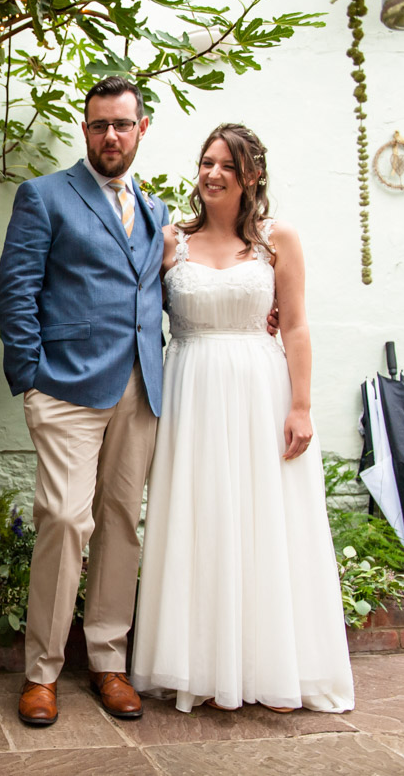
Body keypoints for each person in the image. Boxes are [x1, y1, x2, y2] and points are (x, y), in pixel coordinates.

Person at [130, 123, 354, 714]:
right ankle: (196, 664)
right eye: (206, 162)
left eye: (226, 165)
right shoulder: (172, 241)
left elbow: (298, 324)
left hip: (260, 390)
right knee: (197, 520)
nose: (212, 173)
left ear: (251, 175)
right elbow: (133, 310)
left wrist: (301, 406)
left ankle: (273, 664)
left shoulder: (278, 241)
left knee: (263, 522)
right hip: (191, 388)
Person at [0, 76, 168, 725]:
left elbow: (152, 293)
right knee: (66, 520)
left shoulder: (152, 210)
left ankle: (108, 661)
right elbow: (16, 290)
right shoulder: (45, 196)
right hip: (65, 388)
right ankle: (41, 672)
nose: (111, 136)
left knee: (122, 521)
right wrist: (31, 380)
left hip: (139, 388)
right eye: (99, 125)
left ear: (140, 129)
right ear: (86, 128)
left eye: (122, 124)